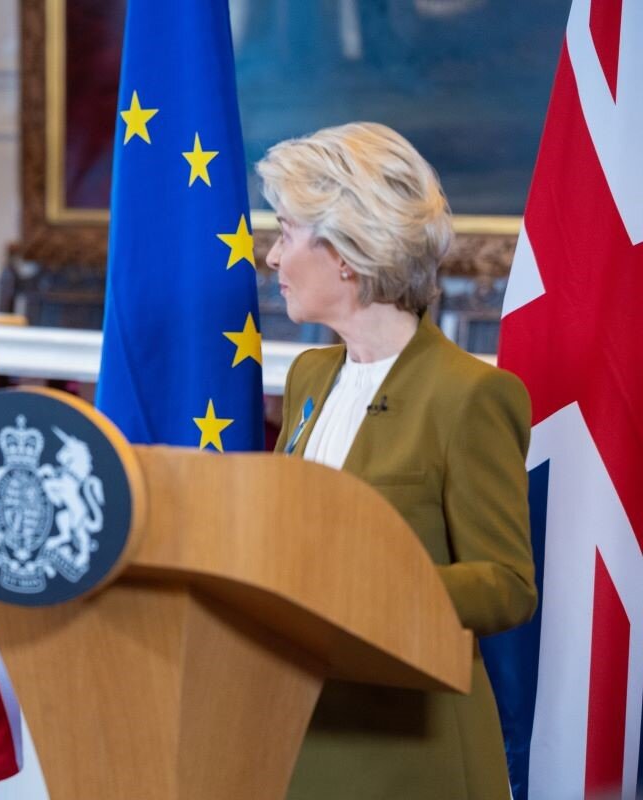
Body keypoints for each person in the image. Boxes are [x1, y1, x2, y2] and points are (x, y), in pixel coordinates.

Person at [261, 122, 536, 799]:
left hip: (406, 755)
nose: (271, 256)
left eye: (286, 232)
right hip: (293, 731)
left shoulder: (471, 396)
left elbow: (507, 585)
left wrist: (367, 590)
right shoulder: (308, 377)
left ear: (346, 253)